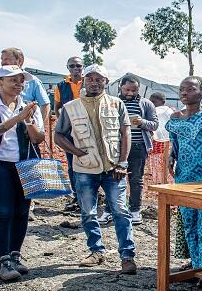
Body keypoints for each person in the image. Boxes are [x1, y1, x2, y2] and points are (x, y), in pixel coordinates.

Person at [54, 64, 137, 275]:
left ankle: (127, 256)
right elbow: (58, 136)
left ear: (106, 82)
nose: (94, 82)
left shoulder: (116, 104)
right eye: (89, 78)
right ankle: (96, 251)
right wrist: (77, 152)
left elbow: (125, 134)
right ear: (84, 81)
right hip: (83, 169)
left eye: (98, 79)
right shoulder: (71, 107)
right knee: (89, 212)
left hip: (113, 168)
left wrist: (122, 163)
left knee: (120, 211)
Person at [0, 66, 45, 282]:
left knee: (21, 211)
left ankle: (15, 255)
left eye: (21, 80)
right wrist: (17, 118)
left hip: (23, 164)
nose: (19, 84)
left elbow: (37, 138)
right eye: (13, 80)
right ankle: (2, 260)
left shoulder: (29, 107)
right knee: (2, 212)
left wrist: (29, 120)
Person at [166, 76, 202, 269]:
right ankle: (196, 266)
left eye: (190, 89)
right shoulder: (175, 118)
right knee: (189, 221)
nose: (184, 93)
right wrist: (171, 157)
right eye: (182, 89)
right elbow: (175, 145)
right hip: (184, 175)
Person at [118, 75, 159, 225]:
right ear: (120, 87)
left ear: (138, 89)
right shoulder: (114, 102)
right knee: (113, 178)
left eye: (133, 90)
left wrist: (142, 122)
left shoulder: (146, 104)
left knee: (135, 179)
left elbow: (155, 124)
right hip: (116, 147)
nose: (130, 93)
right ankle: (114, 209)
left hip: (138, 146)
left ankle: (134, 210)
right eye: (127, 89)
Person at [0, 47, 51, 128]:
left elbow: (45, 104)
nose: (3, 62)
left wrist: (38, 128)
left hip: (22, 130)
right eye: (2, 59)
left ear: (20, 61)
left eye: (7, 59)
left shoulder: (33, 81)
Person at [53, 56, 86, 211]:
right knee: (72, 163)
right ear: (68, 68)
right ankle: (77, 197)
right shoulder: (60, 86)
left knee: (90, 161)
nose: (75, 69)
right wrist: (63, 124)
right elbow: (57, 107)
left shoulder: (90, 83)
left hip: (88, 131)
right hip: (69, 132)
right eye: (72, 66)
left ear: (82, 67)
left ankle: (89, 195)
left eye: (78, 66)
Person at [147, 92, 175, 185]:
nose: (151, 103)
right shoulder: (154, 111)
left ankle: (165, 184)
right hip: (156, 146)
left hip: (164, 145)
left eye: (153, 101)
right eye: (150, 101)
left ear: (163, 102)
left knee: (165, 166)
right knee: (158, 166)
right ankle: (160, 184)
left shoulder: (165, 111)